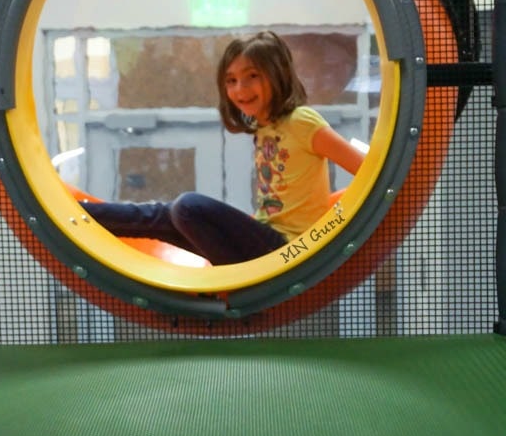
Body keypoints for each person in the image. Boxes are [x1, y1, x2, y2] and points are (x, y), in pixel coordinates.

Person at [81, 30, 364, 265]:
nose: (240, 88)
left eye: (252, 76)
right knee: (163, 217)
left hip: (287, 250)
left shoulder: (301, 121)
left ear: (277, 74)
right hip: (266, 238)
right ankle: (80, 217)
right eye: (231, 80)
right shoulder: (264, 128)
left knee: (187, 207)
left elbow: (367, 170)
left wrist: (327, 236)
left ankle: (238, 284)